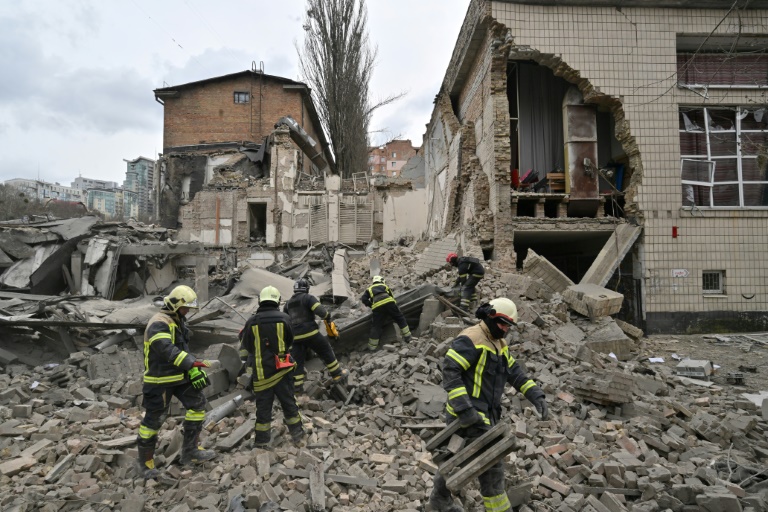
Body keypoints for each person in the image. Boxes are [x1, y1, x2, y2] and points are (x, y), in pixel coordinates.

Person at [429, 298, 548, 512]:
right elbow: (450, 370)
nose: (505, 329)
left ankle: (439, 501)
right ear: (490, 317)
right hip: (466, 415)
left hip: (485, 415)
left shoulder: (499, 344)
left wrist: (535, 395)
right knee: (491, 467)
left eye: (508, 326)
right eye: (502, 323)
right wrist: (465, 409)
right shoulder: (471, 339)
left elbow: (514, 372)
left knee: (455, 458)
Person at [136, 285, 215, 479]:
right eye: (185, 308)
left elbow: (183, 349)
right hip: (159, 380)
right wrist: (192, 363)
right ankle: (145, 466)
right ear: (174, 304)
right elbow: (167, 350)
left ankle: (190, 451)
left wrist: (194, 370)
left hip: (179, 377)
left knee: (198, 406)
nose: (187, 311)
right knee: (153, 422)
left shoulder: (177, 321)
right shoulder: (159, 323)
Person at [239, 285, 304, 448]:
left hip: (262, 374)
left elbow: (246, 345)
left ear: (260, 301)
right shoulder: (284, 318)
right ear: (277, 301)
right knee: (289, 402)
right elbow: (290, 340)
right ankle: (297, 435)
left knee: (263, 408)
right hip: (283, 371)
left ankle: (261, 441)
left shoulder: (252, 322)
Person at [284, 278, 347, 392]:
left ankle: (297, 388)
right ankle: (337, 374)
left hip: (296, 338)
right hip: (310, 333)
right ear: (306, 288)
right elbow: (320, 311)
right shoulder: (308, 298)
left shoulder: (288, 304)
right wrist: (327, 316)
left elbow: (285, 319)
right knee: (326, 350)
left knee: (298, 362)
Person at [361, 275, 412, 350]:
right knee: (400, 318)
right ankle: (408, 337)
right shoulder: (384, 286)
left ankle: (372, 347)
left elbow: (364, 299)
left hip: (378, 307)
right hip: (389, 303)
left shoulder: (369, 289)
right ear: (381, 280)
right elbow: (392, 296)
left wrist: (372, 305)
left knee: (376, 326)